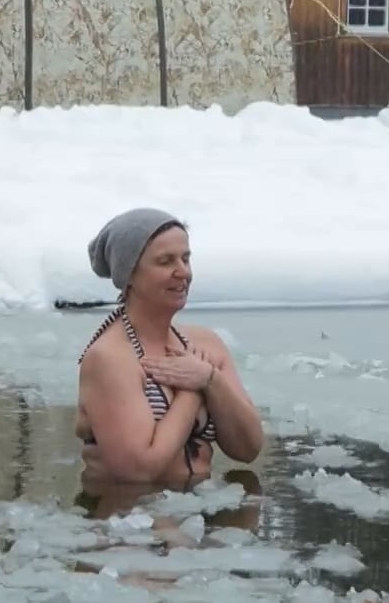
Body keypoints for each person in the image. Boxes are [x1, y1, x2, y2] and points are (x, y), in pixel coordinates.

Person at [75, 209, 265, 487]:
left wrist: (211, 381)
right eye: (165, 262)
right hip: (126, 518)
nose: (183, 272)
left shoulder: (205, 344)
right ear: (129, 275)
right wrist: (192, 393)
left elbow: (248, 449)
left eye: (186, 258)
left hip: (197, 515)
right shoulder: (110, 358)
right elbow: (138, 470)